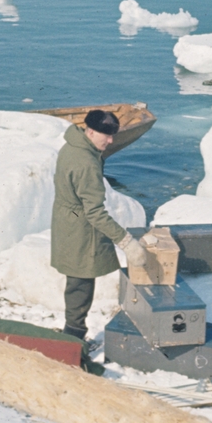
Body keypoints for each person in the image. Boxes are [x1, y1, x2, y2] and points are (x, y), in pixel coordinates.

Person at [50, 109, 149, 340]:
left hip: (68, 220)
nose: (111, 140)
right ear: (91, 131)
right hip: (79, 229)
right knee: (81, 285)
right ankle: (73, 341)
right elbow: (94, 213)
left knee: (77, 283)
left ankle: (73, 335)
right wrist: (127, 243)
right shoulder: (86, 163)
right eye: (106, 135)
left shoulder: (73, 146)